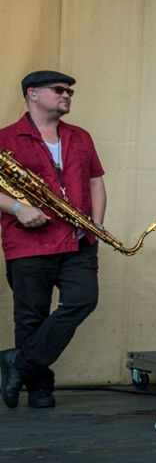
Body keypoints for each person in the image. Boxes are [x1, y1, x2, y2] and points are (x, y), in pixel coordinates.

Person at [0, 71, 104, 409]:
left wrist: (96, 226)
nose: (67, 95)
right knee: (30, 317)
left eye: (70, 90)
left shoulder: (80, 136)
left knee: (83, 300)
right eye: (58, 89)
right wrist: (16, 208)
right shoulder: (6, 138)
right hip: (29, 241)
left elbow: (95, 182)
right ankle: (39, 388)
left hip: (79, 241)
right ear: (32, 94)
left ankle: (17, 363)